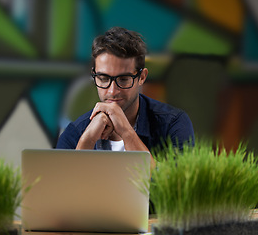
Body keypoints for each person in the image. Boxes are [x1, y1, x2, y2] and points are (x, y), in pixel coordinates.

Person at [56, 27, 195, 168]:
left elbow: (176, 186)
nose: (112, 91)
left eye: (123, 79)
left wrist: (126, 131)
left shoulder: (173, 123)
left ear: (142, 77)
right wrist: (88, 139)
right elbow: (60, 186)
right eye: (103, 78)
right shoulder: (75, 131)